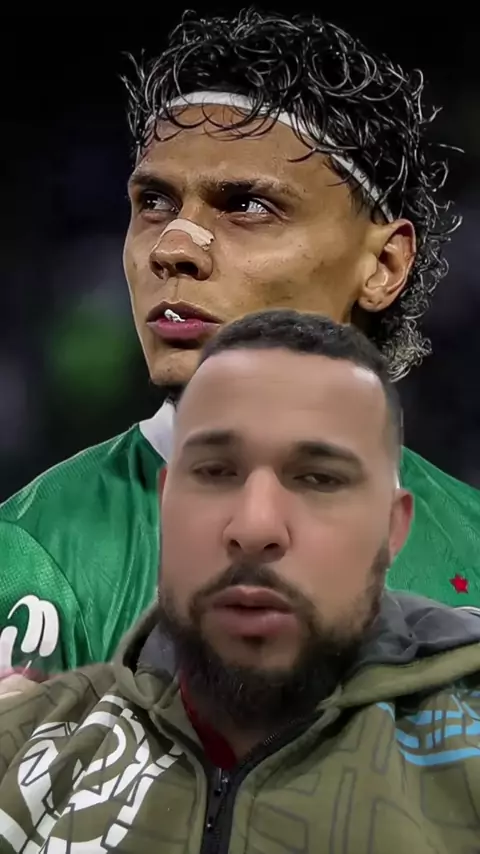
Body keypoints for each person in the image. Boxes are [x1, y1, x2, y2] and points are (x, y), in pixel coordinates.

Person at [2, 10, 480, 678]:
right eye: (154, 203)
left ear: (383, 265)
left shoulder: (472, 549)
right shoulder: (34, 553)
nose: (172, 247)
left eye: (248, 206)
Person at [2, 309, 480, 852]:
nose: (254, 527)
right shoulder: (27, 750)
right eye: (216, 472)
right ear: (166, 502)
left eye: (317, 478)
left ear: (392, 529)